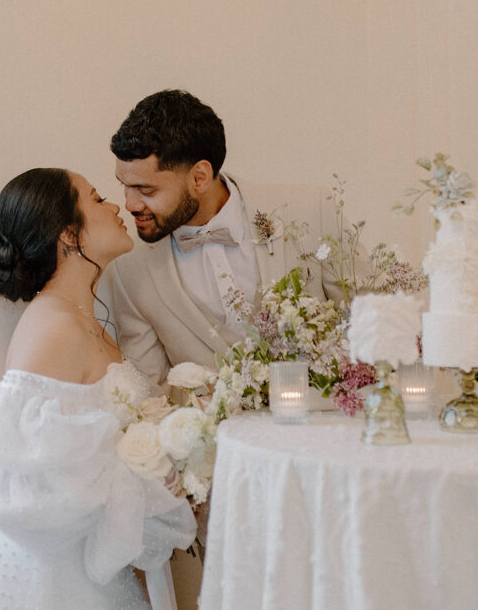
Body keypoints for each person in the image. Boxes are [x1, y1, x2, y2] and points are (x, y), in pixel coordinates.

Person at [0, 168, 195, 610]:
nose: (117, 207)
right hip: (49, 587)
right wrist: (146, 476)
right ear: (70, 234)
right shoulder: (52, 326)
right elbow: (27, 484)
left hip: (91, 576)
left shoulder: (83, 322)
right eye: (99, 199)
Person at [108, 89, 349, 388]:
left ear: (199, 177)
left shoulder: (311, 211)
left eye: (146, 191)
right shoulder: (128, 268)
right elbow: (150, 390)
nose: (130, 204)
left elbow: (372, 325)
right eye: (125, 186)